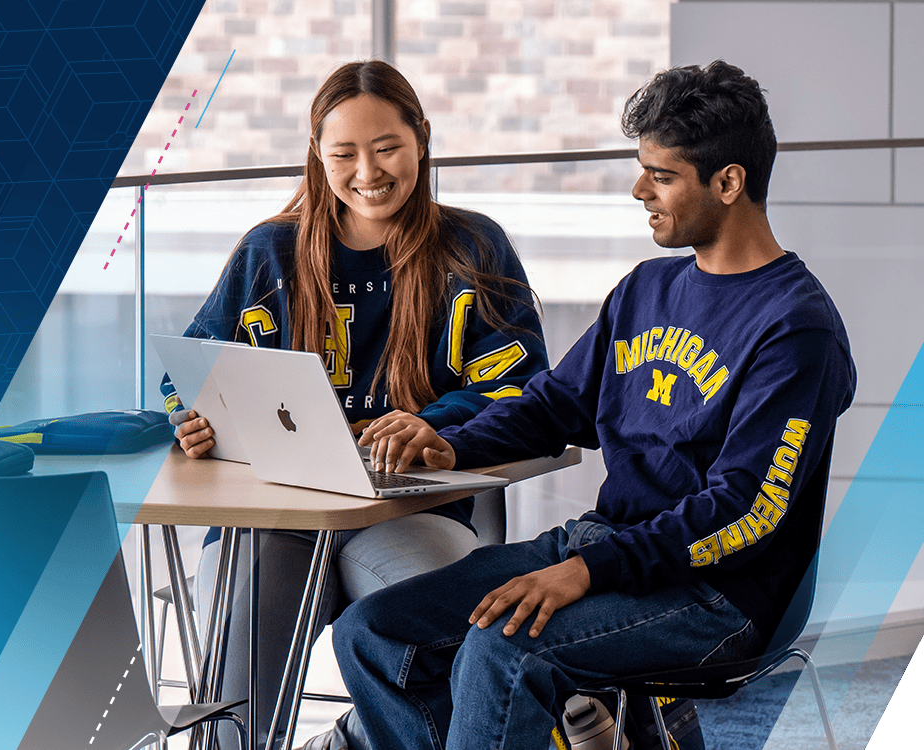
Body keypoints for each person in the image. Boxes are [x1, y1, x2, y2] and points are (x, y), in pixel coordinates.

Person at [334, 60, 857, 750]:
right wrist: (451, 440)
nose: (639, 189)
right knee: (372, 632)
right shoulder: (646, 288)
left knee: (504, 650)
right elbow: (555, 405)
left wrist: (585, 572)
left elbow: (744, 510)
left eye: (662, 175)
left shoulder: (796, 329)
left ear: (728, 182)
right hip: (610, 545)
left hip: (718, 595)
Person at [159, 60, 548, 749]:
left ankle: (351, 738)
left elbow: (526, 391)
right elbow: (189, 373)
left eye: (387, 147)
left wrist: (430, 421)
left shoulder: (472, 247)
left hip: (408, 513)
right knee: (237, 708)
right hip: (273, 514)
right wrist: (194, 420)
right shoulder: (268, 254)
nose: (367, 171)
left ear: (422, 139)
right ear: (317, 155)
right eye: (343, 154)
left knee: (463, 647)